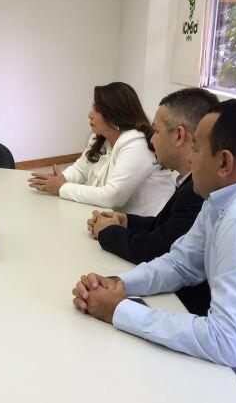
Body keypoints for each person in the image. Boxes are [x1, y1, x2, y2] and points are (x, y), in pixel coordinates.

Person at [71, 99, 236, 403]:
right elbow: (182, 263)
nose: (190, 158)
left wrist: (120, 311)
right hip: (234, 365)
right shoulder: (225, 197)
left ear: (225, 162)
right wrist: (120, 284)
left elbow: (226, 342)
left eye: (197, 148)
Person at [87, 88, 218, 315]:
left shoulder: (201, 192)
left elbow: (158, 248)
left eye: (156, 130)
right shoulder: (190, 184)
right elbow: (166, 231)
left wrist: (107, 232)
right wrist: (125, 221)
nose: (152, 138)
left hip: (184, 307)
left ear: (178, 135)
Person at [28, 82, 174, 216]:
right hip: (115, 218)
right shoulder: (100, 137)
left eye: (97, 109)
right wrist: (60, 179)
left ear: (115, 114)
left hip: (147, 226)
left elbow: (113, 197)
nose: (90, 114)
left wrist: (62, 187)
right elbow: (80, 170)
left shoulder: (137, 143)